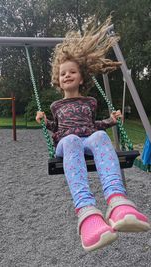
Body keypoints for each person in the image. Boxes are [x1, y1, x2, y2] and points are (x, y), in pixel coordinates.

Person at [36, 17, 150, 252]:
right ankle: (86, 213)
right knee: (70, 139)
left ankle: (117, 202)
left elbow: (94, 125)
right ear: (58, 80)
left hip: (88, 137)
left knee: (99, 137)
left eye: (72, 72)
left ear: (81, 76)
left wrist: (112, 120)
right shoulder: (57, 105)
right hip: (66, 143)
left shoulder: (90, 101)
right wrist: (44, 121)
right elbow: (56, 129)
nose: (66, 76)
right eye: (62, 74)